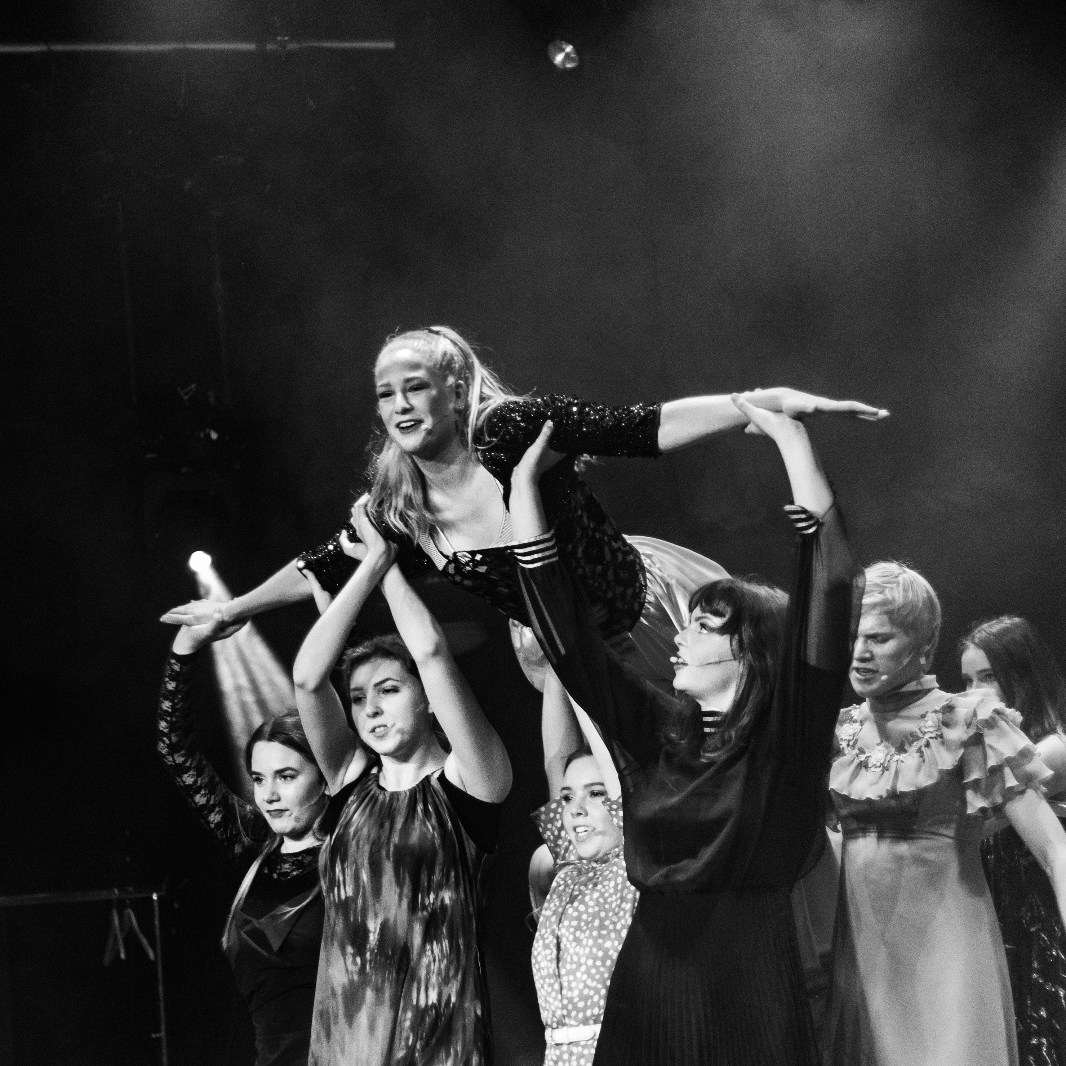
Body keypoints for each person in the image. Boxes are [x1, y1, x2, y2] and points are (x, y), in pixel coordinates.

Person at [161, 327, 885, 677]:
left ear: (455, 390)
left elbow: (637, 426)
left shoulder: (507, 432)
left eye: (416, 387)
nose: (400, 405)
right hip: (571, 656)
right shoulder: (399, 503)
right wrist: (233, 609)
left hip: (648, 612)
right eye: (386, 393)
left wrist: (758, 401)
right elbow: (325, 562)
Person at [507, 396, 860, 1065]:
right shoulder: (660, 736)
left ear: (751, 651)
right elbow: (567, 642)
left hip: (750, 984)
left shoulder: (786, 738)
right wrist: (523, 491)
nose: (680, 637)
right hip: (648, 983)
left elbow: (832, 582)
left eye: (703, 626)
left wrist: (790, 440)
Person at [291, 497, 512, 1066]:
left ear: (429, 700)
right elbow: (308, 679)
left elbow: (431, 651)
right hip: (347, 1042)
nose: (370, 709)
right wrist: (368, 566)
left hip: (437, 1041)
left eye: (389, 690)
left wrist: (386, 563)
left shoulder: (471, 783)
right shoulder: (349, 781)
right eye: (359, 698)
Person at [825, 570, 1066, 1066]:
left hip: (946, 949)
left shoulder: (969, 720)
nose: (859, 653)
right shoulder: (836, 731)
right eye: (852, 637)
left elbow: (1053, 848)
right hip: (863, 954)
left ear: (923, 645)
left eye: (879, 638)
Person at [158, 618, 329, 1066]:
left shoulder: (356, 848)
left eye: (286, 776)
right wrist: (187, 646)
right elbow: (176, 751)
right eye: (258, 779)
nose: (268, 795)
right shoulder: (255, 843)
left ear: (328, 778)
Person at [517, 622, 638, 1066]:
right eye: (568, 798)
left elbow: (615, 765)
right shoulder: (569, 866)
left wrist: (574, 649)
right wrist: (553, 656)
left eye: (596, 794)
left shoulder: (634, 864)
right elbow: (555, 760)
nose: (576, 809)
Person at [961, 615, 1066, 1066]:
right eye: (967, 680)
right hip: (1000, 912)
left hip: (1038, 919)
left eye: (988, 677)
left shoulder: (1052, 749)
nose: (974, 692)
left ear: (1021, 677)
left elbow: (975, 817)